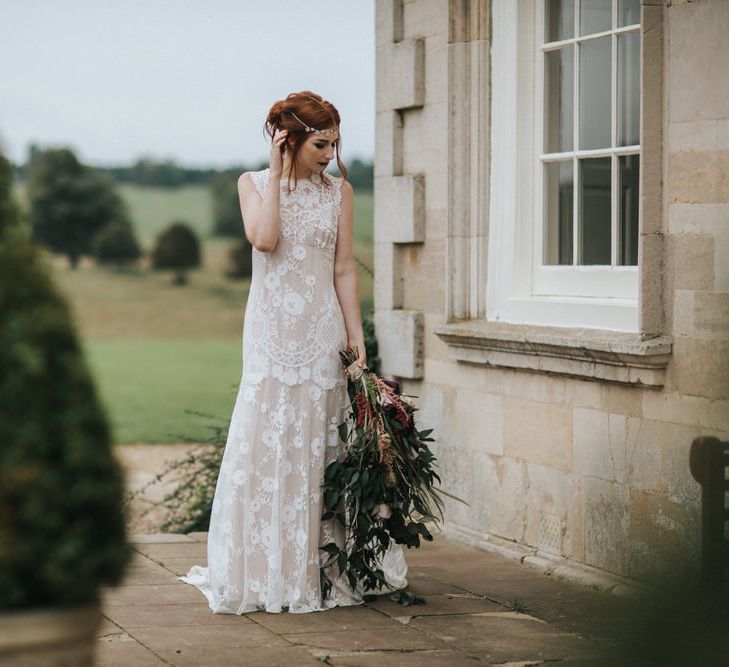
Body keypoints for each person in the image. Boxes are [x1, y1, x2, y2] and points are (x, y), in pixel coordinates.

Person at [179, 91, 407, 614]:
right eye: (320, 144)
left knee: (321, 443)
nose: (330, 154)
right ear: (290, 139)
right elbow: (263, 240)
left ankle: (319, 567)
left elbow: (344, 268)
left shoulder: (341, 193)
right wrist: (276, 174)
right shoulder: (251, 185)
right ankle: (264, 567)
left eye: (335, 143)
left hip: (322, 330)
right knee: (269, 440)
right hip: (269, 333)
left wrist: (357, 337)